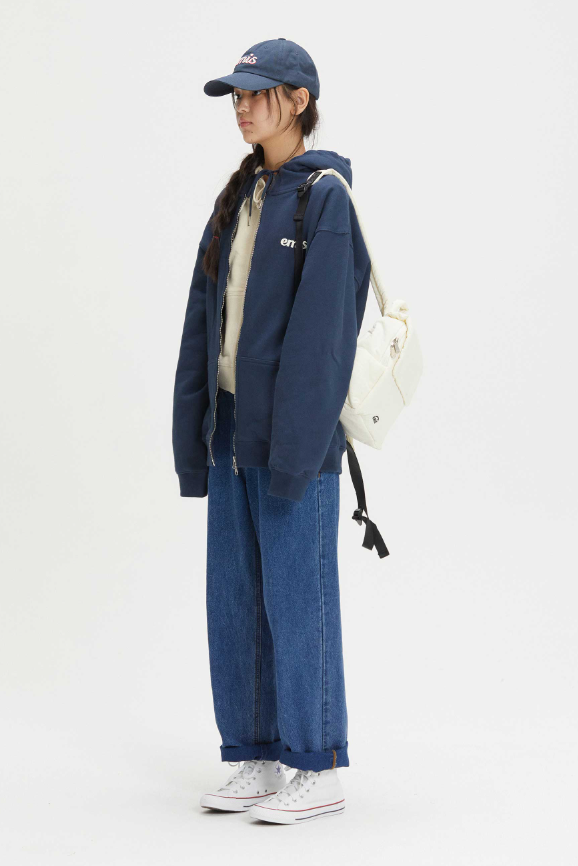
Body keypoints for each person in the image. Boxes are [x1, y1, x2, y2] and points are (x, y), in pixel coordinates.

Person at [172, 38, 371, 825]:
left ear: (299, 100)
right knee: (234, 600)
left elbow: (324, 341)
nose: (243, 107)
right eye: (237, 95)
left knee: (298, 599)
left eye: (258, 93)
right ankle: (253, 756)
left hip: (295, 439)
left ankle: (317, 765)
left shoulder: (325, 198)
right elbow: (202, 324)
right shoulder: (240, 196)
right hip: (230, 431)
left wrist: (296, 451)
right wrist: (194, 436)